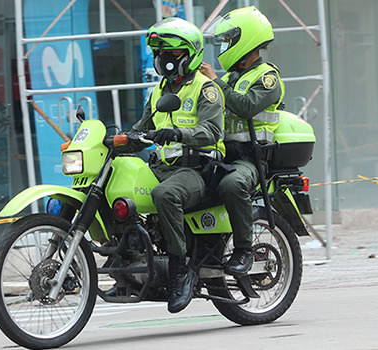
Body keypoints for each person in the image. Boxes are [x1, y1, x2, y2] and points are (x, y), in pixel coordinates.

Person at [119, 17, 225, 313]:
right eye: (159, 52)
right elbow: (141, 131)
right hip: (163, 168)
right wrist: (115, 139)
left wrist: (179, 134)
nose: (163, 58)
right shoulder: (158, 92)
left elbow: (213, 132)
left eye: (172, 53)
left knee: (165, 195)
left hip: (199, 168)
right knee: (122, 189)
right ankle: (125, 259)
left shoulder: (206, 89)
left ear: (190, 54)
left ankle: (180, 272)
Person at [200, 6, 284, 276]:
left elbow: (246, 106)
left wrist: (216, 83)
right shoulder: (231, 78)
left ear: (246, 40)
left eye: (229, 40)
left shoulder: (268, 77)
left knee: (233, 184)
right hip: (224, 156)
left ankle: (244, 250)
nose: (225, 46)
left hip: (251, 158)